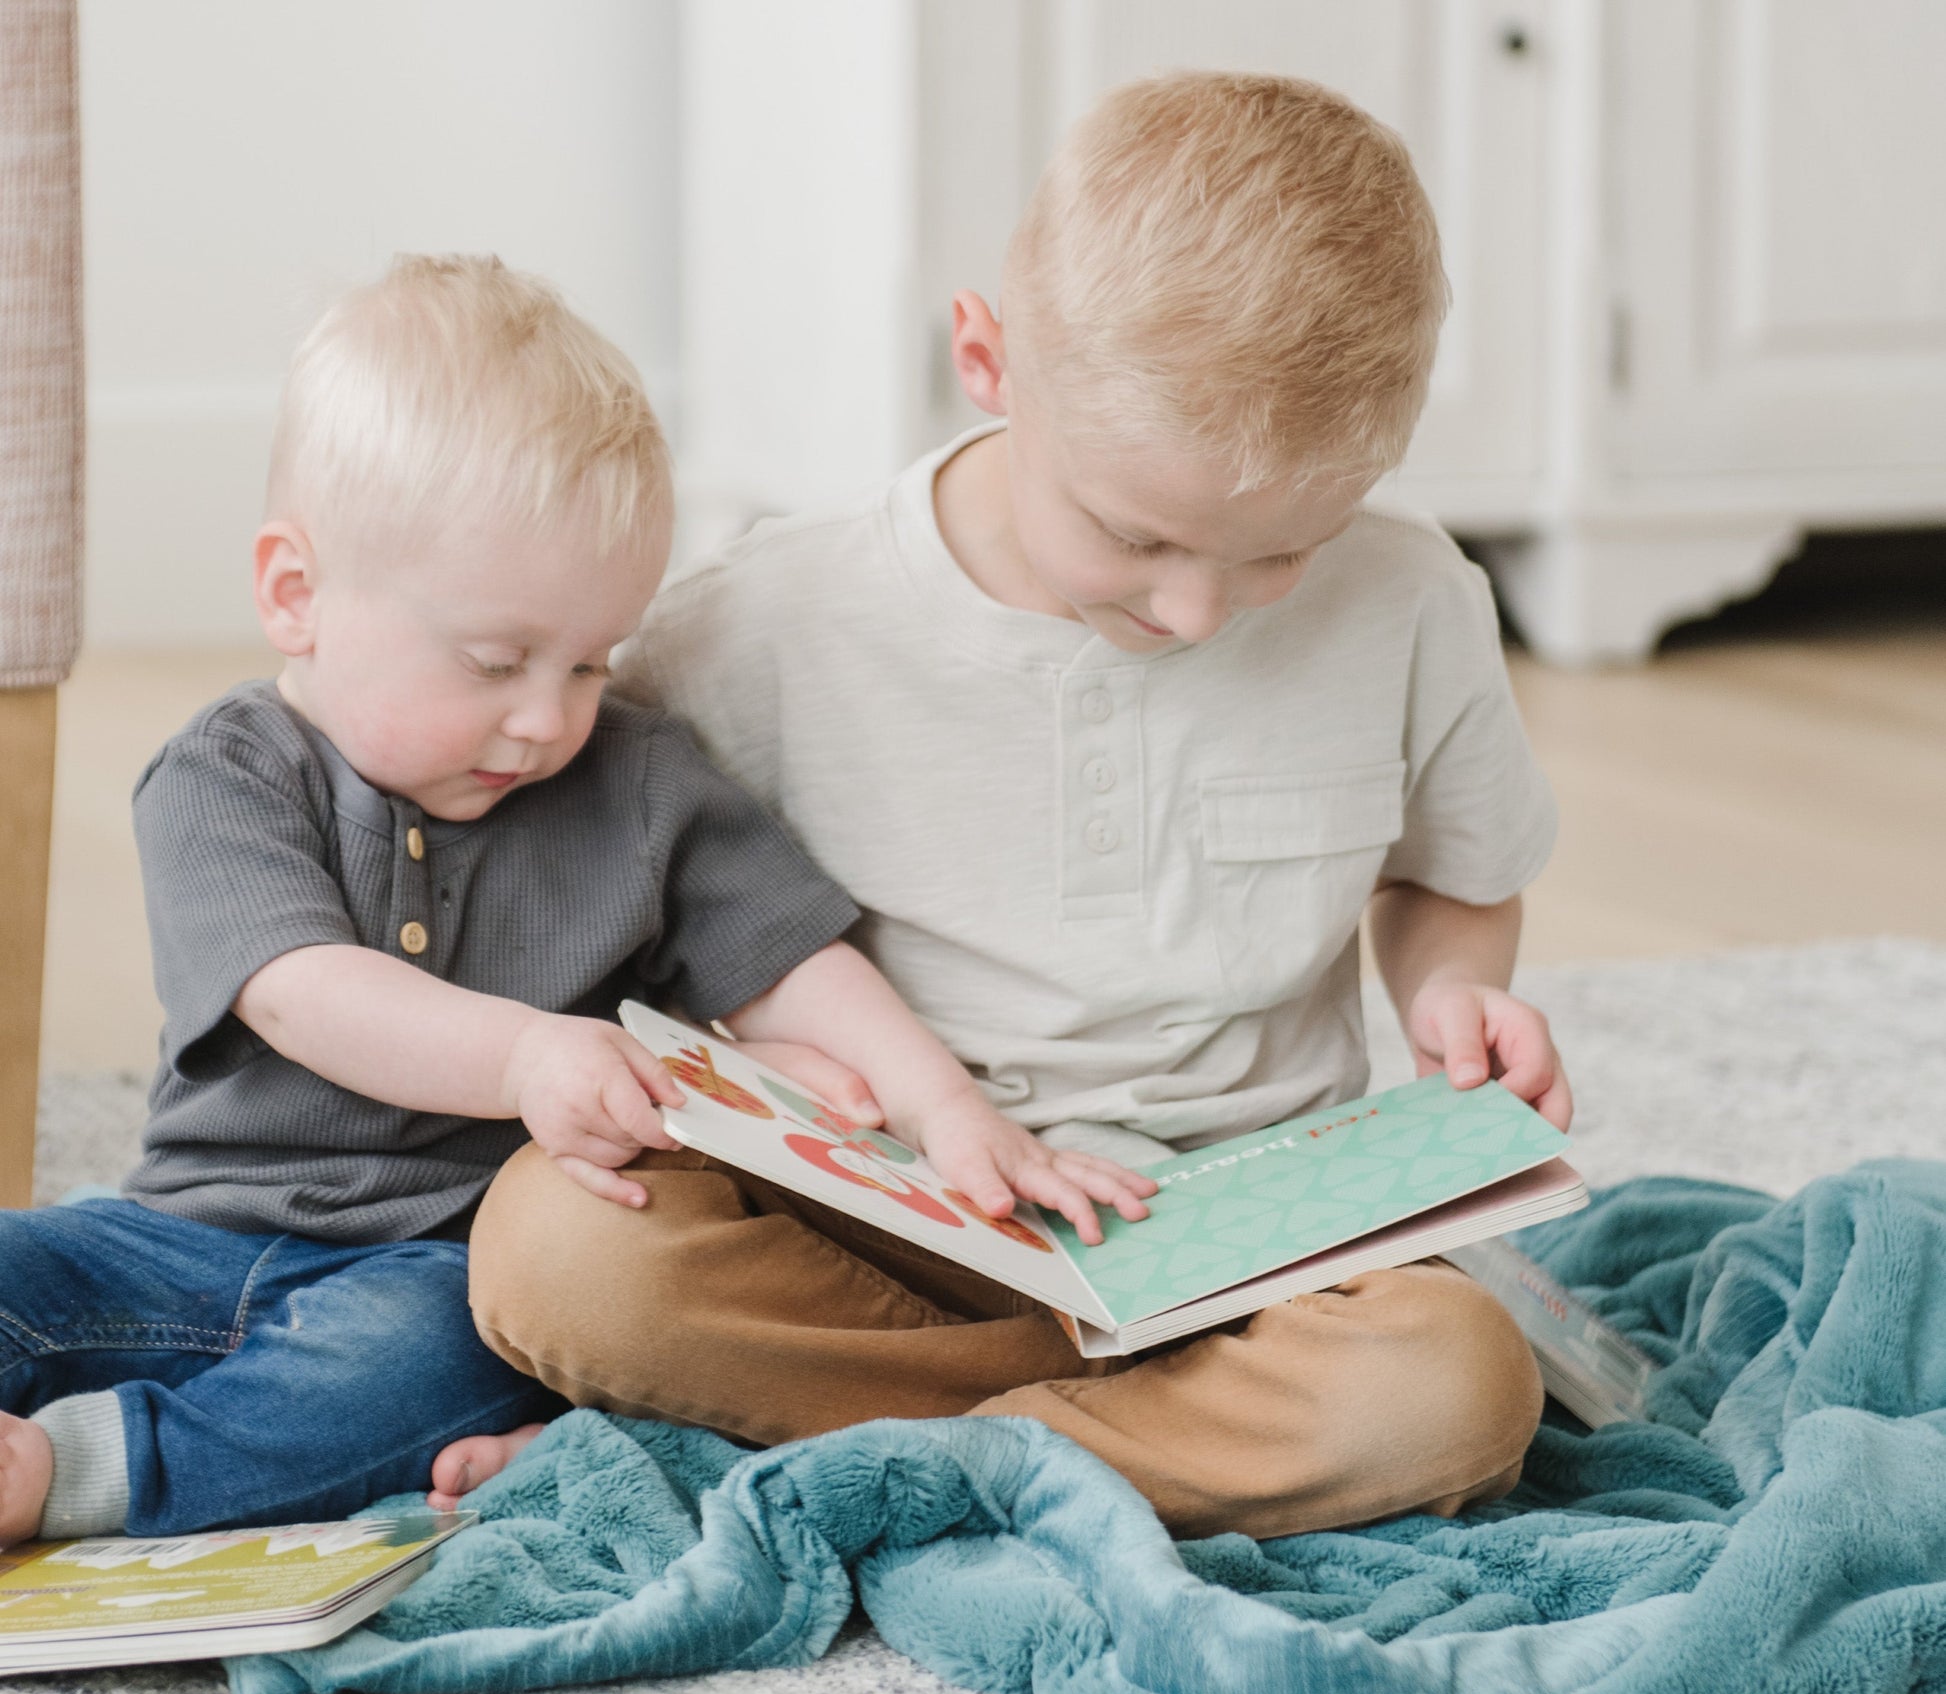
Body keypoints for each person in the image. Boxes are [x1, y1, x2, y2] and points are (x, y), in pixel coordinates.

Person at [447, 72, 1569, 1542]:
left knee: (1454, 1388)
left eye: (1278, 552)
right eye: (1135, 534)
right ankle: (1065, 1448)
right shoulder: (760, 624)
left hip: (1244, 1259)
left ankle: (833, 1460)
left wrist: (1452, 997)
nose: (1192, 609)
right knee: (551, 1245)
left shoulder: (1413, 598)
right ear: (985, 356)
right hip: (882, 1231)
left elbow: (1454, 878)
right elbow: (609, 921)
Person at [0, 255, 1148, 1543]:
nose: (548, 716)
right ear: (296, 595)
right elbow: (308, 994)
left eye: (592, 661)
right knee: (20, 1261)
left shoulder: (642, 782)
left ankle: (83, 1473)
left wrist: (942, 1107)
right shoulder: (224, 775)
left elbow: (793, 962)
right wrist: (530, 1050)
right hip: (187, 1242)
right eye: (496, 662)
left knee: (430, 1360)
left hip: (450, 1268)